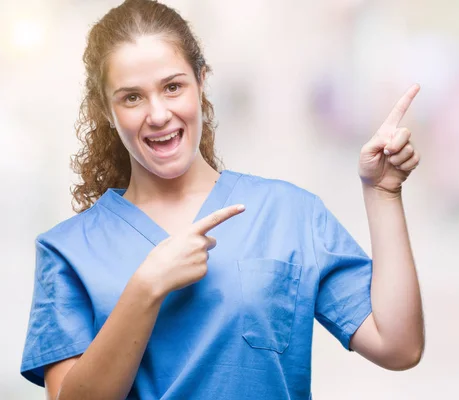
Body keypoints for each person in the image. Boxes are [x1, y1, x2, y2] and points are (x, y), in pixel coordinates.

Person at [20, 0, 424, 399]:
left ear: (201, 82)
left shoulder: (289, 214)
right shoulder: (67, 252)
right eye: (131, 97)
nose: (158, 114)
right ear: (105, 110)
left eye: (173, 86)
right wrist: (146, 287)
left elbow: (399, 346)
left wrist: (384, 193)